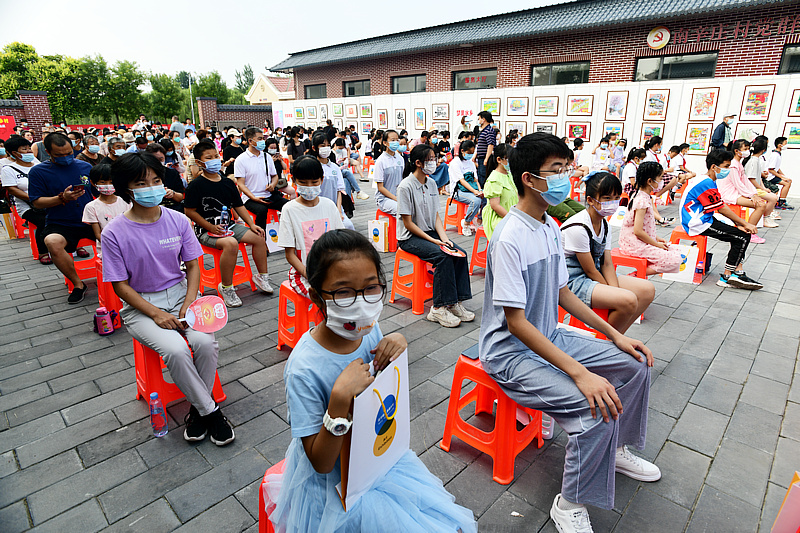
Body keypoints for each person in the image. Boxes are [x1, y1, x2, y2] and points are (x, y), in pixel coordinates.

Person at [479, 132, 659, 533]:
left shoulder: (548, 226)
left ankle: (615, 450)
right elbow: (516, 323)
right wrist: (579, 372)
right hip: (510, 353)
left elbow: (564, 294)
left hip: (549, 335)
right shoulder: (509, 238)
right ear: (529, 178)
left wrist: (614, 336)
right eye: (556, 170)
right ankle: (570, 502)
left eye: (567, 168)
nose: (566, 177)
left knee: (635, 364)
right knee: (596, 409)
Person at [270, 229, 477, 532]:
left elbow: (381, 389)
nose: (361, 304)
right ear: (316, 295)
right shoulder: (304, 368)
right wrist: (339, 401)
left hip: (375, 458)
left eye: (370, 289)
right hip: (334, 486)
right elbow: (321, 463)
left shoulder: (369, 330)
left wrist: (395, 347)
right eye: (342, 292)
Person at [103, 152, 234, 445]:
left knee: (204, 342)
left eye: (156, 180)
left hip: (180, 296)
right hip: (141, 307)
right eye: (142, 182)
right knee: (176, 350)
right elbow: (120, 286)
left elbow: (193, 266)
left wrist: (188, 303)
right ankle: (211, 413)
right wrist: (156, 314)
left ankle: (199, 412)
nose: (152, 187)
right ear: (127, 189)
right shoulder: (114, 232)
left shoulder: (177, 220)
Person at [561, 171, 654, 333]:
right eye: (606, 198)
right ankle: (608, 339)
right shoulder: (578, 227)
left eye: (616, 198)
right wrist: (615, 293)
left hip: (595, 273)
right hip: (572, 280)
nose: (613, 203)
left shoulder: (604, 224)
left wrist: (614, 290)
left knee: (646, 290)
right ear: (590, 200)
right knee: (628, 299)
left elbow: (607, 263)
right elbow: (589, 270)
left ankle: (612, 338)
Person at [184, 141, 274, 307]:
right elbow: (189, 211)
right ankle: (226, 287)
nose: (214, 160)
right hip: (205, 230)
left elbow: (238, 206)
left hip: (229, 226)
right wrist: (210, 227)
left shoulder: (227, 182)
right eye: (208, 158)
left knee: (259, 236)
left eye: (216, 156)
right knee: (231, 243)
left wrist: (251, 224)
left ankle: (262, 277)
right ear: (199, 163)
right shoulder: (195, 185)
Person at [397, 145, 474, 328]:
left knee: (459, 253)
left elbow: (436, 216)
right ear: (418, 163)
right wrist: (434, 241)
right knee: (442, 256)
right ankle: (438, 308)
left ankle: (455, 302)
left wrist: (445, 238)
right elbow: (408, 223)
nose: (435, 162)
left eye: (434, 158)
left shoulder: (431, 183)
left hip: (430, 232)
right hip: (410, 237)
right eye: (431, 159)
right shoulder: (405, 187)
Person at [28, 132, 96, 303]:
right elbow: (37, 202)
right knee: (52, 242)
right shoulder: (38, 172)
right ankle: (78, 284)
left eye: (69, 153)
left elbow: (98, 191)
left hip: (89, 219)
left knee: (119, 236)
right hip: (60, 222)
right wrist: (61, 199)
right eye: (60, 155)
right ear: (48, 152)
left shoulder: (84, 167)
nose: (66, 158)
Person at [680, 149, 762, 289]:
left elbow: (718, 206)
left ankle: (737, 272)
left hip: (704, 217)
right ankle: (727, 277)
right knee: (741, 237)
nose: (727, 170)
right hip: (697, 222)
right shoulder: (706, 183)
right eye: (725, 167)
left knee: (740, 234)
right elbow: (722, 208)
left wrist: (740, 224)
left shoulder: (707, 180)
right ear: (714, 167)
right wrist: (745, 223)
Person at [276, 155, 345, 297]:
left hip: (331, 269)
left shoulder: (329, 205)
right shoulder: (289, 209)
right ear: (294, 181)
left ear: (322, 180)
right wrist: (309, 274)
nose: (309, 187)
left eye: (314, 182)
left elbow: (340, 243)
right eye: (303, 182)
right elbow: (290, 255)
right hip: (302, 274)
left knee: (352, 293)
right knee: (327, 298)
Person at [618, 162, 682, 275]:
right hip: (634, 244)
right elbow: (637, 231)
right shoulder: (641, 201)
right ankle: (635, 276)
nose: (662, 181)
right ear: (650, 181)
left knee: (674, 250)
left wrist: (656, 238)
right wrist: (656, 244)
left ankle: (640, 273)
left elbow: (642, 227)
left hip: (635, 241)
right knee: (674, 260)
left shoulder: (642, 195)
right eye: (661, 178)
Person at [1, 136, 50, 264]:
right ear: (14, 153)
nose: (29, 151)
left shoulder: (39, 165)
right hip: (27, 206)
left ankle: (75, 246)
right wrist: (35, 198)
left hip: (48, 201)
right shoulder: (8, 169)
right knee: (43, 221)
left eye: (29, 148)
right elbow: (12, 189)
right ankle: (43, 252)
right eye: (24, 149)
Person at [235, 128, 290, 229]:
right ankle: (260, 239)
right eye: (259, 139)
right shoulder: (241, 160)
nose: (263, 141)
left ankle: (287, 234)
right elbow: (241, 184)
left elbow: (274, 176)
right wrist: (253, 197)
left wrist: (272, 185)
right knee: (261, 210)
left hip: (269, 195)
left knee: (289, 207)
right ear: (250, 141)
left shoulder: (267, 157)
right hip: (251, 198)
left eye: (263, 138)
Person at [718, 139, 772, 242]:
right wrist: (751, 195)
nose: (748, 151)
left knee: (761, 203)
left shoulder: (738, 163)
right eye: (745, 149)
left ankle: (748, 230)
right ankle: (749, 233)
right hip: (730, 194)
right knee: (761, 205)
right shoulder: (733, 165)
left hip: (737, 192)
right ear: (737, 151)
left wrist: (754, 194)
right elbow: (738, 184)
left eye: (748, 148)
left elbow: (746, 182)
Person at [81, 164, 130, 256]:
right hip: (106, 249)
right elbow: (98, 234)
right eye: (103, 182)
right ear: (93, 183)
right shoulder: (91, 207)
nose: (108, 185)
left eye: (111, 182)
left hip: (129, 245)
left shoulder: (126, 202)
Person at [309, 132, 355, 231]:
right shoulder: (312, 167)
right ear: (314, 148)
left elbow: (339, 191)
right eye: (322, 146)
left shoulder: (335, 167)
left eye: (328, 146)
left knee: (348, 227)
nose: (326, 148)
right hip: (317, 209)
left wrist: (339, 210)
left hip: (335, 208)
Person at [448, 139, 485, 237]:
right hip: (458, 191)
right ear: (462, 151)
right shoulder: (455, 163)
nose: (471, 155)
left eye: (473, 153)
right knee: (476, 201)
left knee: (486, 197)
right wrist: (475, 191)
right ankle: (466, 223)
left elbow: (475, 180)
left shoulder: (471, 163)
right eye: (469, 153)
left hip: (471, 189)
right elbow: (461, 181)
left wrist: (480, 190)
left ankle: (478, 220)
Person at [482, 143, 518, 240]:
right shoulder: (494, 179)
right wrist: (511, 219)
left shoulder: (509, 175)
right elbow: (495, 206)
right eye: (509, 159)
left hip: (511, 214)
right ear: (499, 160)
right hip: (499, 217)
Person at [743, 138, 780, 227]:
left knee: (773, 196)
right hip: (751, 189)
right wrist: (761, 188)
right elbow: (751, 179)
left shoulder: (756, 160)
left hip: (756, 188)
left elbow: (758, 177)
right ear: (763, 150)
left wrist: (763, 188)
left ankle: (766, 217)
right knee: (773, 198)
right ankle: (765, 218)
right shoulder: (753, 161)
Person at [145, 143, 185, 212]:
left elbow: (180, 197)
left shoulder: (172, 173)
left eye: (161, 159)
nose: (158, 162)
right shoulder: (142, 175)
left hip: (172, 209)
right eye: (154, 159)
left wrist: (172, 194)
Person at [373, 130, 405, 216]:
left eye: (397, 140)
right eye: (392, 140)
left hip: (399, 196)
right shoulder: (381, 161)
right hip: (384, 199)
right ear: (385, 143)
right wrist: (396, 199)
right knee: (402, 210)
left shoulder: (400, 159)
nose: (396, 142)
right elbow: (380, 187)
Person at [767, 137, 794, 210]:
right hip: (770, 177)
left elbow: (776, 167)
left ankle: (782, 200)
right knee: (787, 183)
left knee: (788, 180)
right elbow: (771, 169)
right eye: (785, 143)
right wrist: (782, 177)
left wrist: (783, 175)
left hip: (773, 175)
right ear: (779, 145)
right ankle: (782, 202)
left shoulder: (777, 154)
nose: (786, 145)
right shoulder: (775, 155)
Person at [475, 111, 496, 187]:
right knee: (480, 176)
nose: (478, 121)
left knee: (484, 178)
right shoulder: (483, 131)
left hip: (485, 158)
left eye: (479, 119)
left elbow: (490, 145)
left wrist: (486, 159)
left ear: (483, 119)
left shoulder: (489, 130)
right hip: (481, 158)